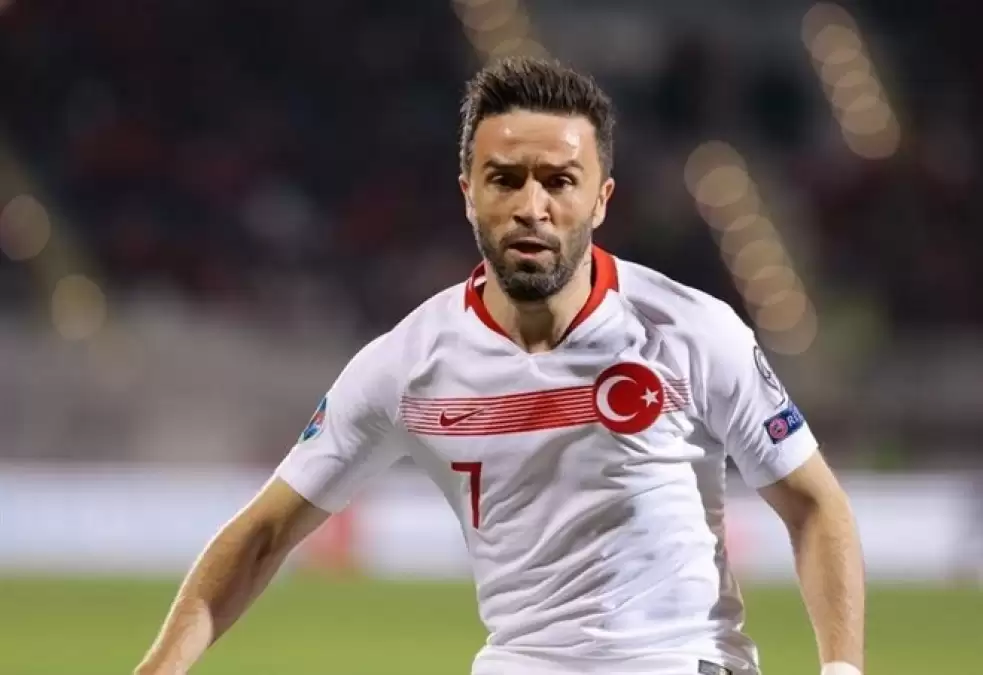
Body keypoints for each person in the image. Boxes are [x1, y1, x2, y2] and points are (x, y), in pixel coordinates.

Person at [134, 56, 865, 675]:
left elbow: (813, 504)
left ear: (601, 199)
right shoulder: (406, 365)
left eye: (559, 181)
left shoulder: (690, 332)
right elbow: (263, 532)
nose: (531, 206)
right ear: (468, 194)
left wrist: (840, 669)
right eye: (505, 178)